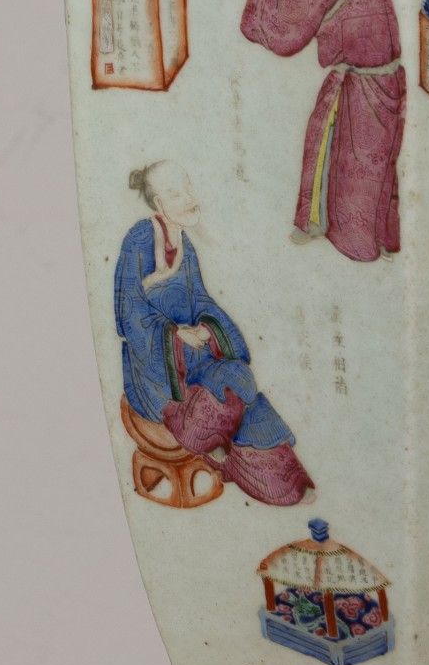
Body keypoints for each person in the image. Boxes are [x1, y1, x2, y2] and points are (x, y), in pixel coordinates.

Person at [113, 162, 313, 505]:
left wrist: (208, 328)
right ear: (159, 203)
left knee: (240, 377)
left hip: (195, 354)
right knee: (224, 392)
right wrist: (176, 335)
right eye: (176, 194)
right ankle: (215, 443)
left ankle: (285, 477)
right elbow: (128, 313)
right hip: (156, 371)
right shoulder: (140, 239)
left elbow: (201, 299)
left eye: (188, 188)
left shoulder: (185, 244)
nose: (189, 198)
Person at [240, 0, 404, 262]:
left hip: (365, 90)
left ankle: (357, 244)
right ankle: (363, 236)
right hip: (372, 83)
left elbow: (283, 24)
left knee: (357, 174)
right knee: (361, 166)